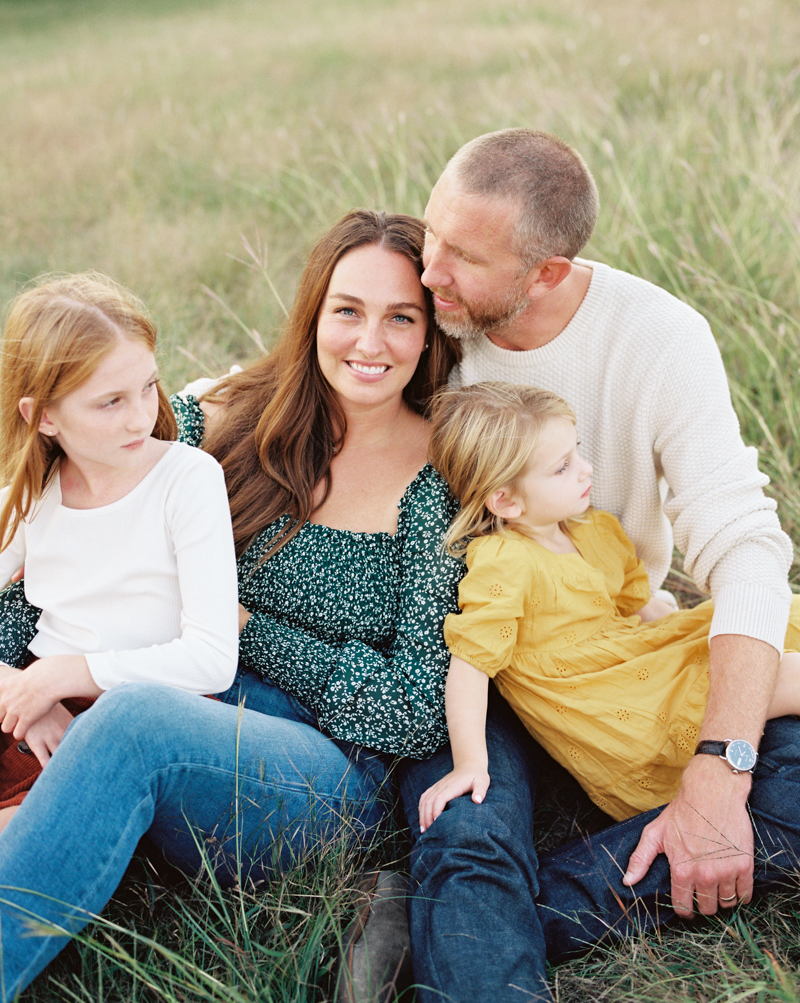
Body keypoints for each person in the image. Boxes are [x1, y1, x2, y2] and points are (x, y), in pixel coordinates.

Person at [0, 211, 463, 1001]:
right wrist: (25, 680)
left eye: (401, 318)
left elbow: (419, 710)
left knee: (131, 723)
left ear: (430, 337)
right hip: (178, 696)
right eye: (347, 310)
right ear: (313, 313)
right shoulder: (228, 416)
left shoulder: (440, 478)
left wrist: (256, 632)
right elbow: (71, 532)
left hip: (325, 776)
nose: (370, 341)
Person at [395, 129, 798, 1002]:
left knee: (783, 769)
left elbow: (743, 541)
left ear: (546, 271)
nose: (428, 274)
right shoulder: (422, 312)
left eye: (462, 257)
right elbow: (300, 369)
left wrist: (719, 764)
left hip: (613, 658)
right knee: (469, 828)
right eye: (432, 236)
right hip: (465, 660)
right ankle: (472, 940)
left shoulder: (657, 339)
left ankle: (515, 913)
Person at [417, 382, 800, 831]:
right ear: (506, 500)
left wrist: (692, 639)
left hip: (634, 659)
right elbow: (470, 666)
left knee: (778, 619)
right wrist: (469, 764)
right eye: (562, 468)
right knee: (786, 673)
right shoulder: (506, 562)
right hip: (609, 707)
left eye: (577, 453)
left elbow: (641, 609)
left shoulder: (589, 529)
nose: (586, 470)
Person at [0, 273, 239, 824]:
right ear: (43, 417)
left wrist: (61, 677)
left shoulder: (186, 479)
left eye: (149, 387)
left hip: (144, 713)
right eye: (110, 402)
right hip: (39, 710)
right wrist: (24, 693)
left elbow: (210, 660)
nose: (141, 416)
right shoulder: (30, 496)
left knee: (23, 832)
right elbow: (35, 686)